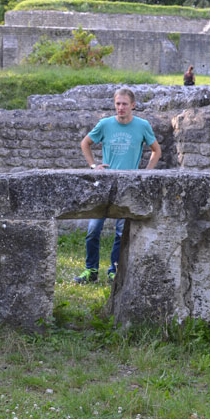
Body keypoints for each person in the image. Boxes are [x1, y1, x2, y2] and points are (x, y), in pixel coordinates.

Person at [74, 87, 161, 283]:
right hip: (105, 184)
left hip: (129, 185)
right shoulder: (105, 124)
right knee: (93, 230)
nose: (120, 107)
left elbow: (156, 151)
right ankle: (91, 271)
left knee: (122, 232)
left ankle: (115, 270)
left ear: (133, 105)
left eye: (124, 104)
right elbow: (85, 143)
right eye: (117, 104)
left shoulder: (142, 125)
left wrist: (146, 173)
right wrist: (94, 165)